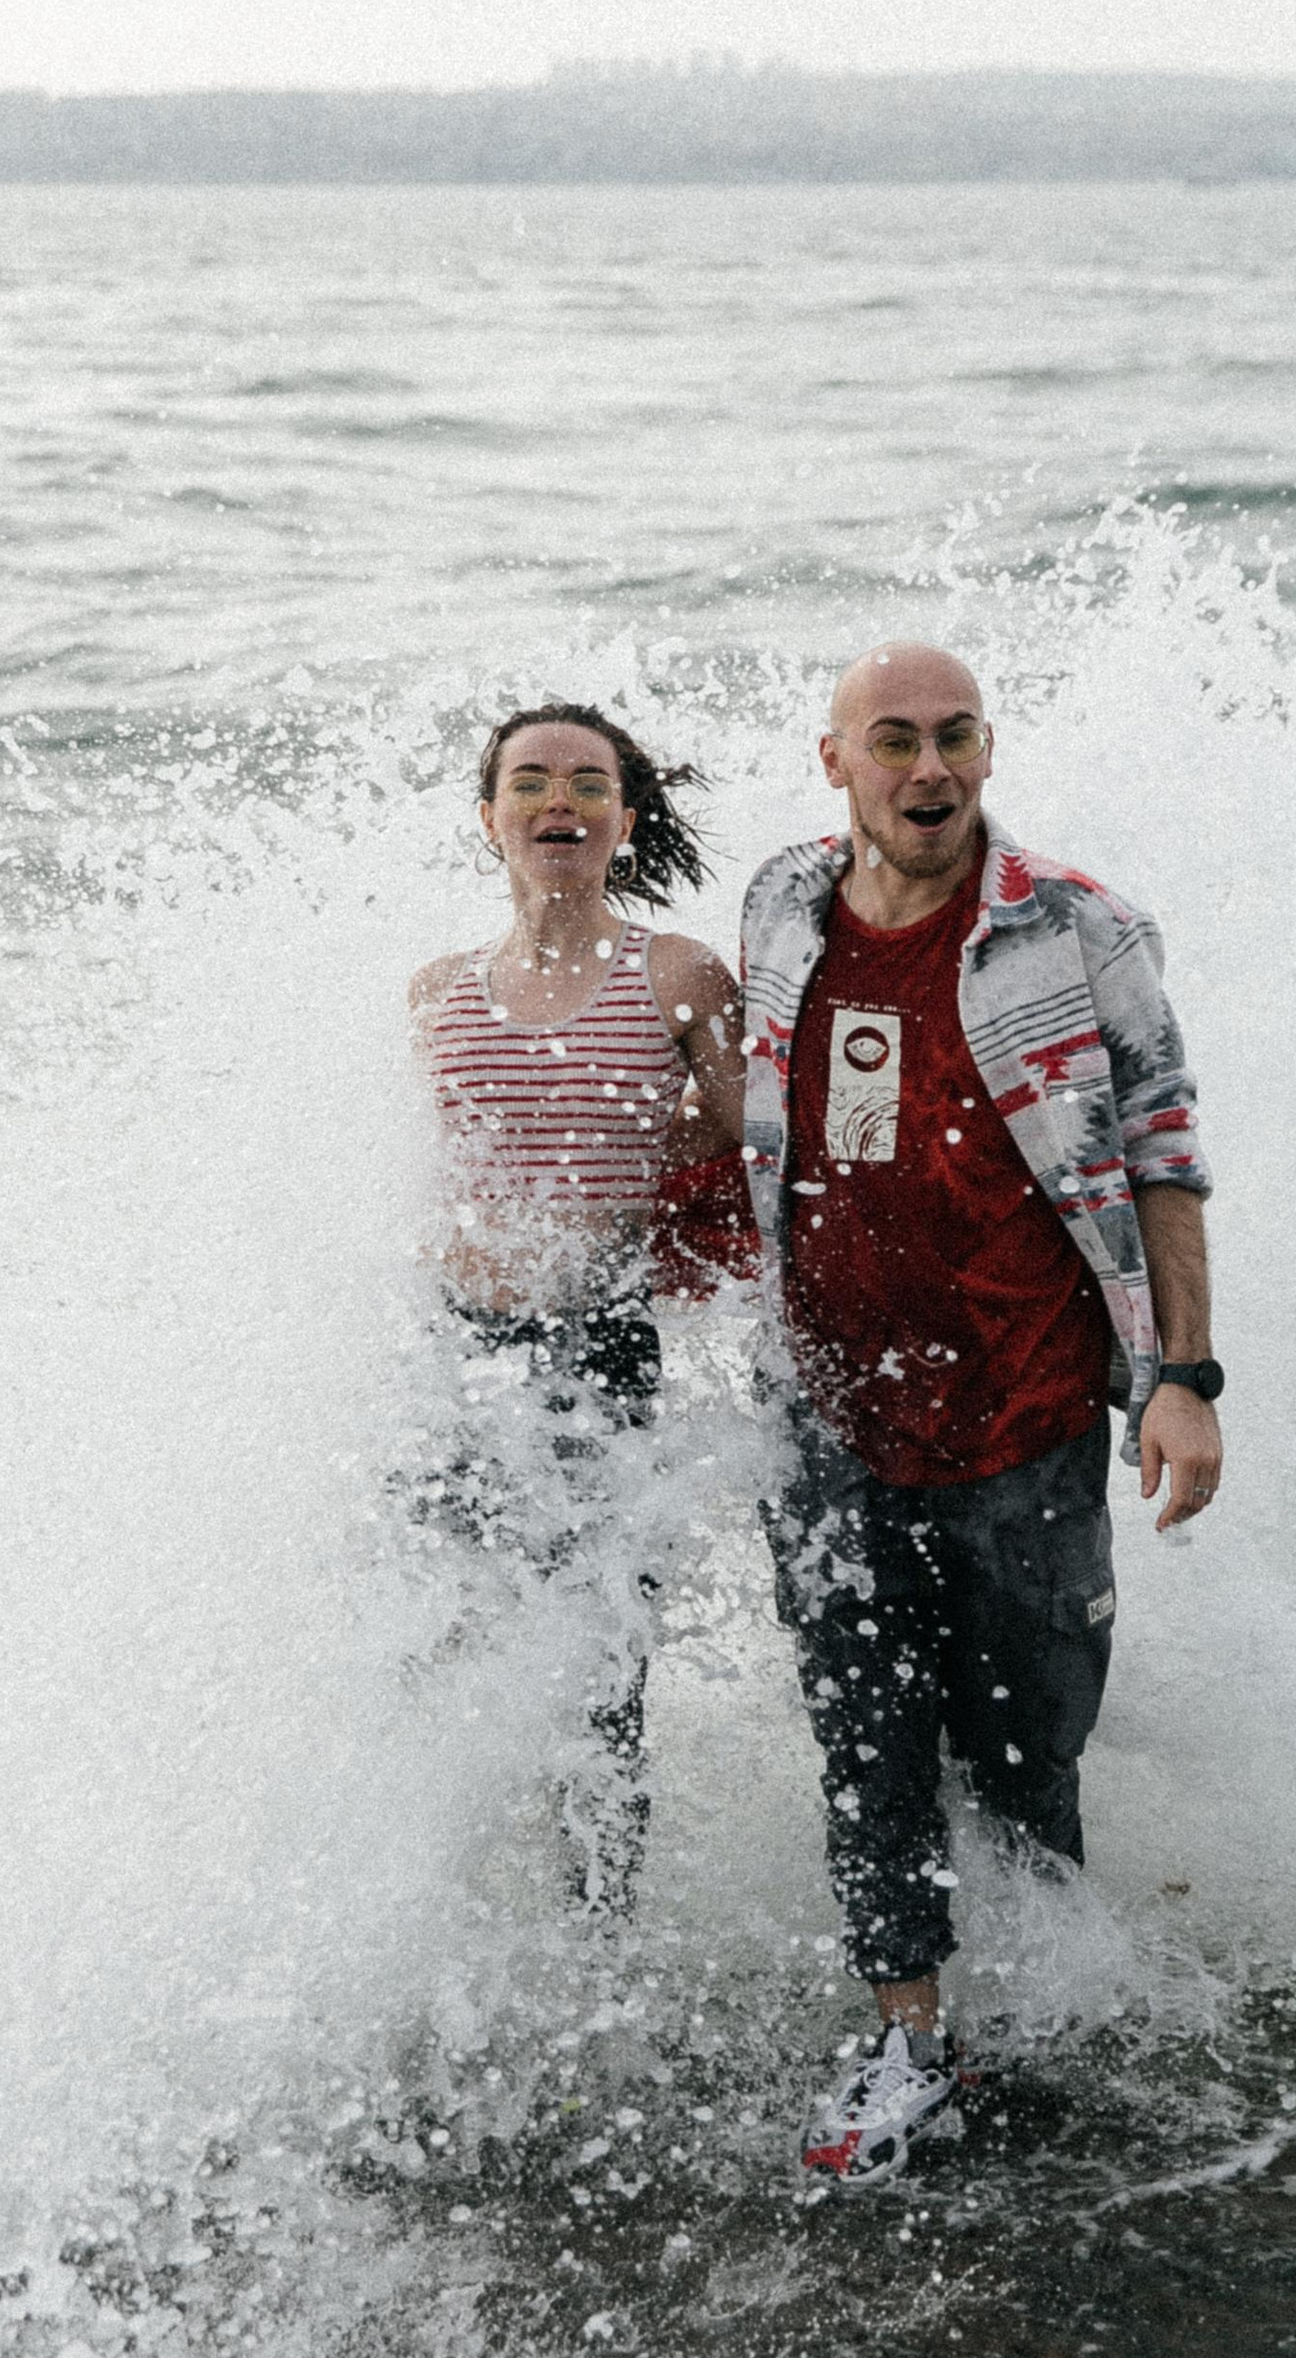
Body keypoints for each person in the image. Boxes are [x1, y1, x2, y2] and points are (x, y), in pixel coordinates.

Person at [740, 642, 1221, 2183]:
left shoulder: (1079, 928)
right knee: (863, 1738)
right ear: (838, 761)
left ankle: (1043, 2014)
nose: (930, 768)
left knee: (1024, 1747)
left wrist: (1184, 1383)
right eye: (896, 740)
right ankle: (909, 2045)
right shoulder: (777, 910)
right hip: (826, 1420)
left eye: (956, 739)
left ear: (988, 751)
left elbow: (1162, 1158)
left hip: (1025, 1421)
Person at [410, 704, 749, 1908]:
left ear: (626, 818)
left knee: (600, 1674)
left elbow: (747, 1145)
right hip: (447, 1364)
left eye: (590, 784)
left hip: (598, 1356)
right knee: (435, 1656)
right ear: (489, 817)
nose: (561, 802)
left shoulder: (677, 973)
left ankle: (596, 1933)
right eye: (532, 782)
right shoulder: (436, 993)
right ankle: (448, 1922)